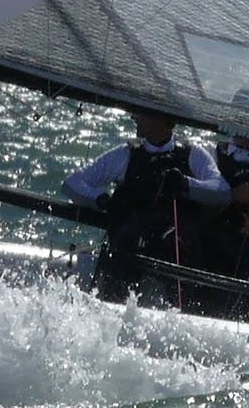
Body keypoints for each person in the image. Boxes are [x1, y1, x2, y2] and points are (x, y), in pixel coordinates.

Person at [72, 110, 228, 302]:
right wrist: (101, 200)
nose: (134, 117)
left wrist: (186, 184)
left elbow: (223, 191)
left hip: (173, 247)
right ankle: (113, 300)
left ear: (161, 120)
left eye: (141, 113)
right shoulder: (125, 153)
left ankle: (183, 305)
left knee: (178, 245)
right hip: (131, 245)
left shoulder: (192, 154)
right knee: (127, 243)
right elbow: (72, 182)